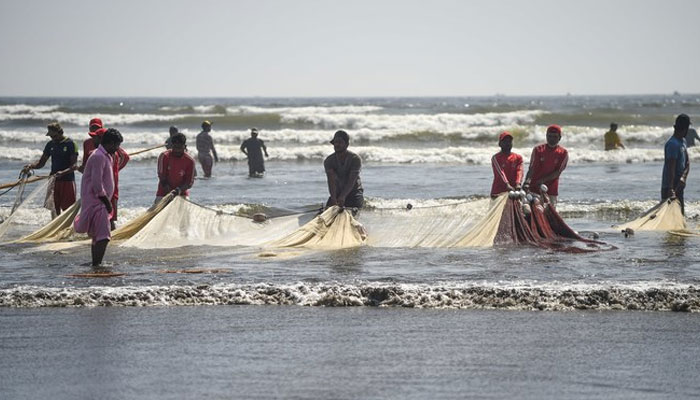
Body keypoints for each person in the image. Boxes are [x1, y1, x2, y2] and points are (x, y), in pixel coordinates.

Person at [73, 128, 123, 267]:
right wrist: (107, 202)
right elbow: (96, 184)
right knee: (103, 237)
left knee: (97, 236)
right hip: (97, 202)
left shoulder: (106, 155)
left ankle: (95, 263)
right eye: (117, 145)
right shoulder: (98, 156)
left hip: (98, 202)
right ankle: (97, 264)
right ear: (111, 143)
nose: (118, 148)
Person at [22, 122, 78, 216]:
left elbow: (74, 166)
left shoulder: (71, 144)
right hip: (53, 180)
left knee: (68, 210)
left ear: (60, 132)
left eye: (54, 136)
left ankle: (66, 228)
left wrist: (62, 173)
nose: (52, 139)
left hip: (67, 181)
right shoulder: (50, 144)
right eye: (50, 136)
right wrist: (30, 166)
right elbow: (41, 163)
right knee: (54, 208)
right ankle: (54, 227)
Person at [523, 124, 569, 207]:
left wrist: (542, 180)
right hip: (534, 188)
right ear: (546, 136)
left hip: (551, 191)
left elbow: (557, 172)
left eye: (555, 137)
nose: (551, 139)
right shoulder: (538, 150)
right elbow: (532, 168)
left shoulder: (563, 153)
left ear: (559, 138)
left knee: (550, 214)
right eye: (549, 136)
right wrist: (526, 182)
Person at [324, 130, 364, 210]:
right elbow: (331, 181)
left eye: (340, 142)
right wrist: (333, 198)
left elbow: (351, 181)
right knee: (327, 211)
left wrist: (343, 196)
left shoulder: (355, 159)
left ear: (347, 145)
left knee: (353, 210)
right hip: (338, 192)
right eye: (335, 142)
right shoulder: (329, 160)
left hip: (354, 192)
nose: (337, 144)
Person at [661, 114, 691, 215]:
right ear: (685, 128)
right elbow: (670, 167)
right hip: (670, 186)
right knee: (669, 218)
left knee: (680, 215)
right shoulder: (672, 144)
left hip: (679, 184)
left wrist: (683, 177)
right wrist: (670, 188)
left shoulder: (683, 141)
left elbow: (687, 162)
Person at [156, 133, 195, 203]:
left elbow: (189, 182)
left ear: (185, 146)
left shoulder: (190, 161)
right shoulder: (164, 156)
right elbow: (162, 177)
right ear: (172, 146)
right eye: (175, 148)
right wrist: (169, 192)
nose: (177, 151)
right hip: (163, 193)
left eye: (179, 148)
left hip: (181, 193)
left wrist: (178, 191)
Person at [491, 131, 523, 197]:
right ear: (500, 144)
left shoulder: (518, 157)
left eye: (509, 141)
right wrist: (507, 184)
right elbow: (501, 172)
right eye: (505, 141)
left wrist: (518, 183)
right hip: (498, 192)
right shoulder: (496, 158)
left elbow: (519, 171)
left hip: (514, 191)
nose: (507, 143)